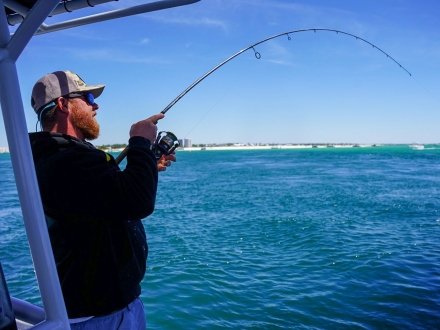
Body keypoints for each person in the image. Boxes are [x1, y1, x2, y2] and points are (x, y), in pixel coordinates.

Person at [28, 70, 175, 329]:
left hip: (101, 308)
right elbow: (136, 203)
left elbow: (109, 196)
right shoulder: (68, 160)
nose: (96, 105)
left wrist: (148, 165)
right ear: (63, 104)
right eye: (88, 97)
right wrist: (139, 141)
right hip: (100, 316)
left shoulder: (56, 156)